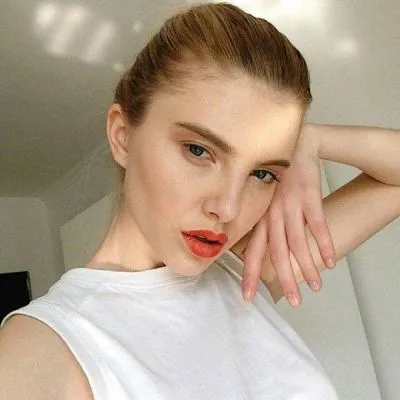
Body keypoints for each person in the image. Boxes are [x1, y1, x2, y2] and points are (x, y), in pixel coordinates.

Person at [0, 2, 399, 399]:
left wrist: (311, 141)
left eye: (262, 173)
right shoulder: (43, 348)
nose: (228, 208)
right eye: (198, 150)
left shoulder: (243, 273)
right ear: (122, 136)